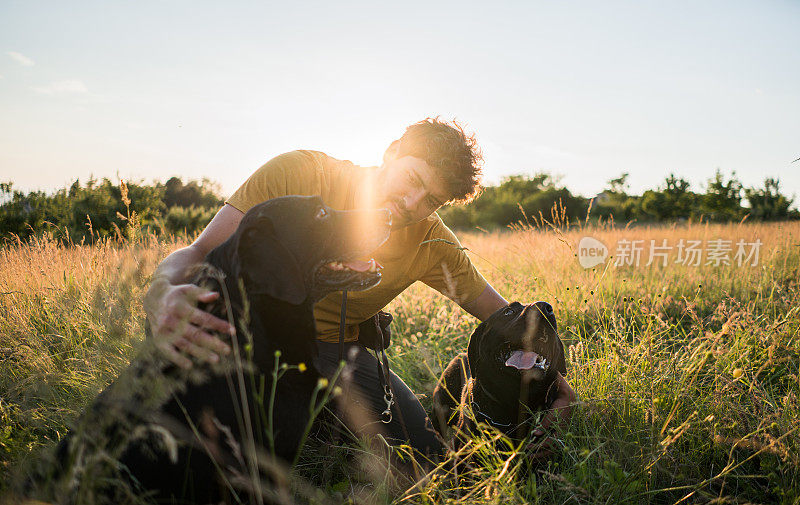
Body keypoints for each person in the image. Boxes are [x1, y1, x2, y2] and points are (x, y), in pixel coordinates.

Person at [143, 117, 576, 460]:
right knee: (222, 451)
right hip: (246, 335)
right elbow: (198, 253)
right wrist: (163, 293)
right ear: (391, 153)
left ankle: (319, 422)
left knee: (422, 456)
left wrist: (555, 383)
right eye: (412, 179)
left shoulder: (431, 240)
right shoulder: (302, 174)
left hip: (335, 352)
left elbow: (506, 321)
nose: (412, 204)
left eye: (432, 200)